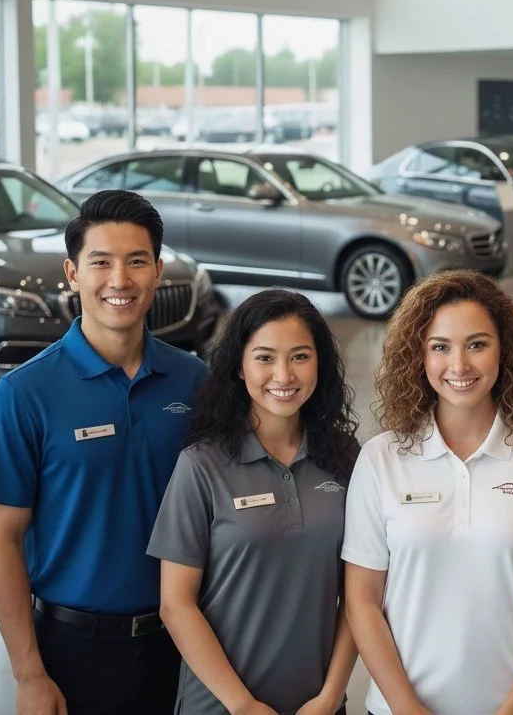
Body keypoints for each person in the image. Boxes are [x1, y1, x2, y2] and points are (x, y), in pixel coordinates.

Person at [0, 190, 208, 715]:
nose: (119, 280)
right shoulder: (24, 394)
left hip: (188, 637)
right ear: (73, 274)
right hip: (74, 648)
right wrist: (28, 673)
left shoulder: (193, 381)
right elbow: (1, 538)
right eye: (100, 262)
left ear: (158, 271)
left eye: (137, 261)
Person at [343, 270, 513, 715]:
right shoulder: (380, 458)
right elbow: (363, 602)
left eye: (477, 344)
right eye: (440, 347)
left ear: (505, 351)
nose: (459, 365)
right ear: (418, 356)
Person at [147, 289, 361, 715]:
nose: (283, 375)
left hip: (316, 705)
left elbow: (359, 597)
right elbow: (176, 605)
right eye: (264, 357)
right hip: (221, 706)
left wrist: (331, 696)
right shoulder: (201, 465)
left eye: (300, 356)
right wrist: (242, 705)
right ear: (239, 368)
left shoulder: (347, 461)